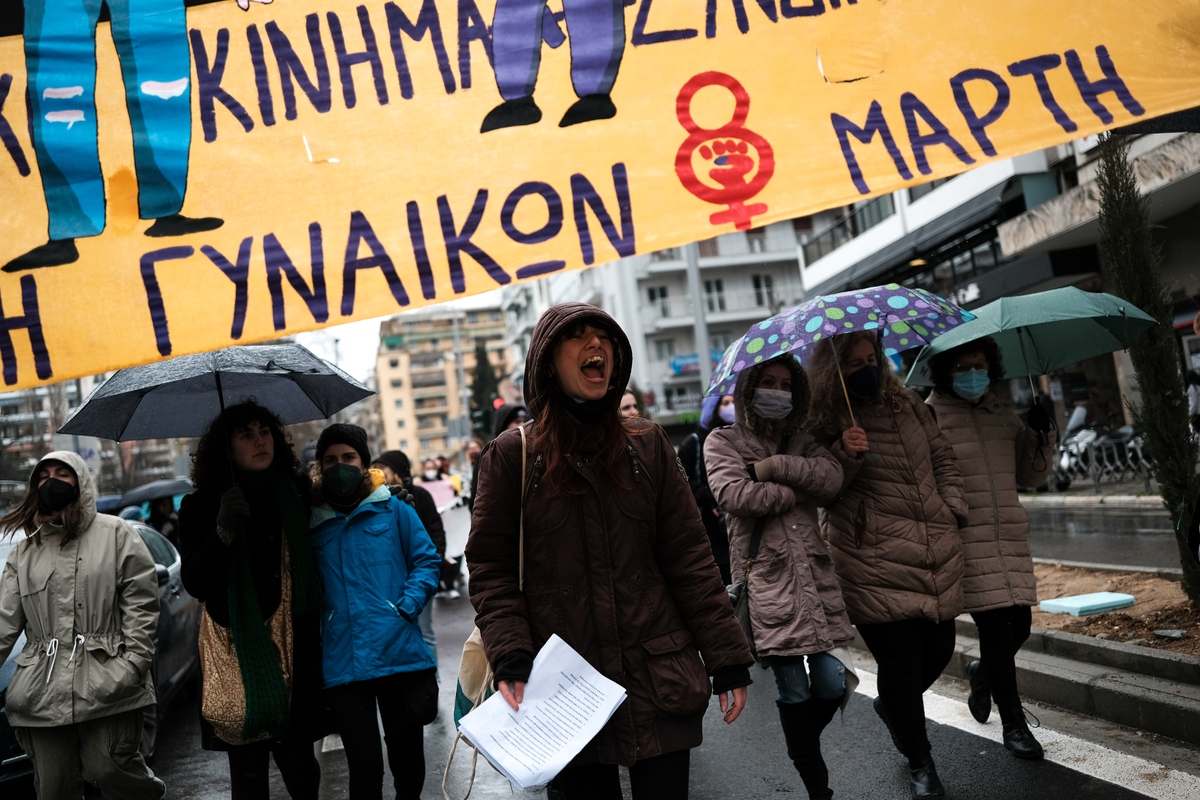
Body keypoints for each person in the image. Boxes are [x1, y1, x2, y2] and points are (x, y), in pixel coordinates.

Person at [467, 303, 752, 800]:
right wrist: (511, 652)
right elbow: (492, 568)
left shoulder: (648, 445)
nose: (595, 344)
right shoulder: (513, 457)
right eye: (577, 335)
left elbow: (689, 558)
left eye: (603, 336)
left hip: (657, 676)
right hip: (566, 692)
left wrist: (726, 656)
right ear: (547, 362)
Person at [806, 331, 968, 800]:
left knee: (939, 651)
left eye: (871, 358)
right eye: (854, 363)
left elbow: (942, 458)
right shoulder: (822, 420)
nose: (868, 368)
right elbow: (820, 491)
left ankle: (894, 707)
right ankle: (921, 762)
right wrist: (844, 454)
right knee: (901, 663)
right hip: (868, 558)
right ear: (834, 371)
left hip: (931, 549)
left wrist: (952, 507)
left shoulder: (910, 404)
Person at [703, 356, 854, 800]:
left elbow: (831, 479)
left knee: (832, 681)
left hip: (814, 580)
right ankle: (818, 788)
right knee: (793, 688)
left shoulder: (803, 440)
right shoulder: (722, 440)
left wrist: (776, 468)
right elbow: (735, 495)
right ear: (749, 389)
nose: (778, 391)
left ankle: (800, 742)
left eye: (787, 384)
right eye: (768, 382)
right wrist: (798, 490)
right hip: (767, 583)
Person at [178, 402, 327, 800]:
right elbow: (195, 582)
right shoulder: (203, 506)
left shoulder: (295, 489)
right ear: (226, 449)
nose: (260, 441)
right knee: (248, 777)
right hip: (239, 653)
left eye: (265, 431)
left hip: (297, 648)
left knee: (301, 768)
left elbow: (338, 512)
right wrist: (223, 528)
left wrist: (386, 492)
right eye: (246, 435)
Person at [0, 451, 164, 799]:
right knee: (54, 787)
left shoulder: (116, 534)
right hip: (41, 690)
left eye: (62, 474)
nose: (52, 482)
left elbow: (142, 604)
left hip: (107, 679)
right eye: (43, 476)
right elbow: (4, 622)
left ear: (81, 482)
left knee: (109, 768)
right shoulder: (23, 552)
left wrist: (133, 664)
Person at [926, 338, 1056, 760]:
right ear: (945, 371)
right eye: (963, 366)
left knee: (1021, 628)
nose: (973, 374)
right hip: (966, 542)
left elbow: (1030, 477)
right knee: (998, 631)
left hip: (1010, 540)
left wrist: (1041, 433)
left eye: (980, 365)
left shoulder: (1002, 416)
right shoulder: (929, 418)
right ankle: (1014, 724)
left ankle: (982, 673)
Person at [310, 424, 440, 800]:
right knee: (364, 768)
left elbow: (426, 560)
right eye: (330, 459)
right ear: (320, 467)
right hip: (343, 661)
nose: (340, 466)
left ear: (364, 463)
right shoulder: (311, 520)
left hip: (398, 651)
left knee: (408, 763)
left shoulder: (394, 508)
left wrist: (406, 607)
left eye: (348, 457)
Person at [372, 449, 448, 668]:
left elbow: (435, 529)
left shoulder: (419, 496)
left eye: (382, 467)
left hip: (419, 575)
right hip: (393, 577)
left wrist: (436, 560)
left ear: (395, 471)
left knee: (425, 630)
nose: (376, 472)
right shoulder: (373, 500)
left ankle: (433, 676)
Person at [677, 393, 736, 584]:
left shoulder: (738, 440)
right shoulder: (693, 444)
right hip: (710, 528)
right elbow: (681, 482)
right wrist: (709, 496)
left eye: (733, 402)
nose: (731, 407)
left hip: (736, 526)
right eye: (725, 403)